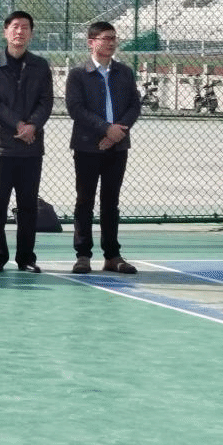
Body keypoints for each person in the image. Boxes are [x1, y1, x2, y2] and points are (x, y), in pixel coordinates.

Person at [0, 10, 53, 273]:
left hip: (31, 146)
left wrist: (32, 125)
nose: (19, 32)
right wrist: (19, 125)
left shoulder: (40, 66)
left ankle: (26, 257)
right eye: (15, 27)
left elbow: (46, 101)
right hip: (1, 146)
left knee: (28, 205)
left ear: (31, 33)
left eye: (25, 27)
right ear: (5, 32)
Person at [65, 21, 140, 275]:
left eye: (113, 38)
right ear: (91, 42)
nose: (111, 42)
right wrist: (105, 129)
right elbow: (76, 108)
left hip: (117, 147)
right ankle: (83, 255)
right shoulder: (78, 74)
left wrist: (117, 133)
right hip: (87, 146)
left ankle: (112, 255)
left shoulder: (124, 72)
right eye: (105, 38)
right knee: (84, 201)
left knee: (111, 202)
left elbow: (134, 105)